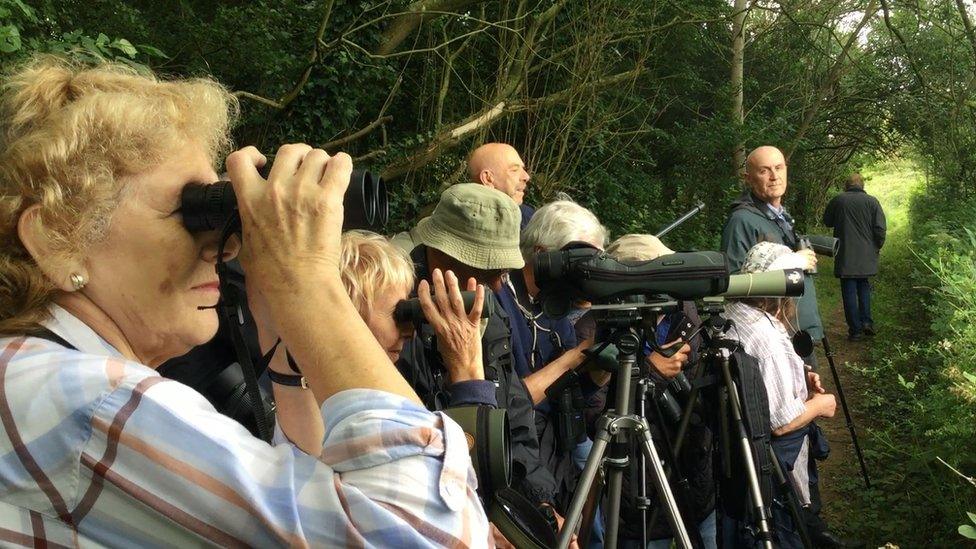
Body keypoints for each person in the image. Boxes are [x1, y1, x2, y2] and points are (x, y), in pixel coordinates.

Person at [0, 56, 489, 546]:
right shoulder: (87, 400)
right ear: (57, 238)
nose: (227, 245)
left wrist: (281, 340)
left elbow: (317, 495)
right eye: (194, 211)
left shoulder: (38, 376)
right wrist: (306, 281)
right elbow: (432, 534)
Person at [396, 183, 576, 547]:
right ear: (440, 254)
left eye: (504, 270)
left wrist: (538, 504)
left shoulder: (486, 308)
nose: (498, 283)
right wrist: (475, 519)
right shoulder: (392, 312)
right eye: (488, 266)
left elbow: (515, 414)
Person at [725, 242, 855, 549]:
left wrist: (799, 375)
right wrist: (821, 405)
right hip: (775, 465)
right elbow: (781, 423)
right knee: (787, 529)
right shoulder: (766, 336)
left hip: (738, 454)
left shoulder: (734, 312)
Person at [604, 234, 714, 549]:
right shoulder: (603, 326)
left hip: (691, 469)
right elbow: (596, 414)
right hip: (635, 485)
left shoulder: (685, 315)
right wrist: (647, 371)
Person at [720, 145, 824, 366]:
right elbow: (733, 284)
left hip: (798, 331)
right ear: (748, 178)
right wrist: (793, 261)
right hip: (774, 339)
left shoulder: (780, 216)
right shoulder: (741, 221)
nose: (775, 176)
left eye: (779, 168)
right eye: (764, 170)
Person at [822, 173, 887, 341]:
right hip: (866, 254)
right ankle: (867, 322)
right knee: (864, 286)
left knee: (849, 291)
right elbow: (880, 228)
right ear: (862, 186)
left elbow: (827, 221)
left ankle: (855, 330)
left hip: (845, 254)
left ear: (846, 186)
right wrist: (877, 245)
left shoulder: (839, 200)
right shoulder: (873, 202)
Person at [467, 142, 535, 229]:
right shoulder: (525, 220)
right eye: (514, 170)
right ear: (487, 178)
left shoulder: (531, 219)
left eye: (523, 169)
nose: (526, 177)